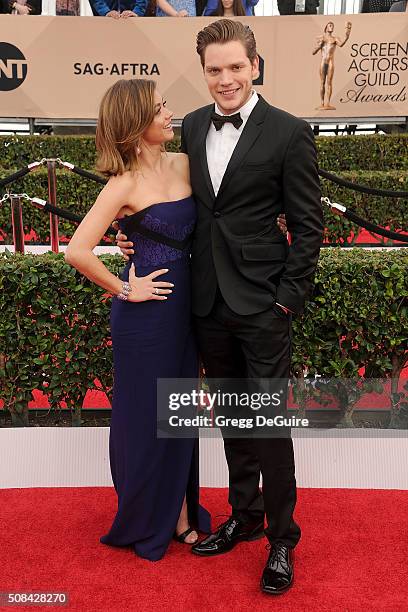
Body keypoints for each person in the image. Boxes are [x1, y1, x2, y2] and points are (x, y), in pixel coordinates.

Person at [117, 19, 323, 594]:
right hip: (204, 301)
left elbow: (310, 228)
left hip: (262, 306)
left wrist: (286, 301)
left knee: (269, 424)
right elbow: (176, 205)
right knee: (233, 420)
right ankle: (245, 514)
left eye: (235, 67)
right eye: (214, 70)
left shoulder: (289, 132)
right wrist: (132, 236)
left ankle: (283, 538)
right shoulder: (192, 127)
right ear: (203, 72)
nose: (225, 79)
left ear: (254, 66)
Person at [65, 79, 210, 561]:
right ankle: (154, 517)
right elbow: (77, 251)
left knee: (181, 411)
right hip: (144, 321)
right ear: (133, 126)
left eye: (165, 105)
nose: (169, 114)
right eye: (158, 110)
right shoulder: (122, 184)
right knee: (148, 419)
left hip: (186, 311)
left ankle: (182, 512)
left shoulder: (186, 162)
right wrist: (127, 287)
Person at [312, 21, 352, 111]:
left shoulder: (335, 39)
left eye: (332, 26)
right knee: (322, 82)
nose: (332, 27)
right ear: (326, 27)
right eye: (330, 25)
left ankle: (328, 103)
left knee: (329, 82)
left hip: (330, 61)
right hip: (323, 61)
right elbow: (313, 52)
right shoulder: (321, 38)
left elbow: (341, 45)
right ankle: (322, 103)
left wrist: (347, 37)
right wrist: (320, 46)